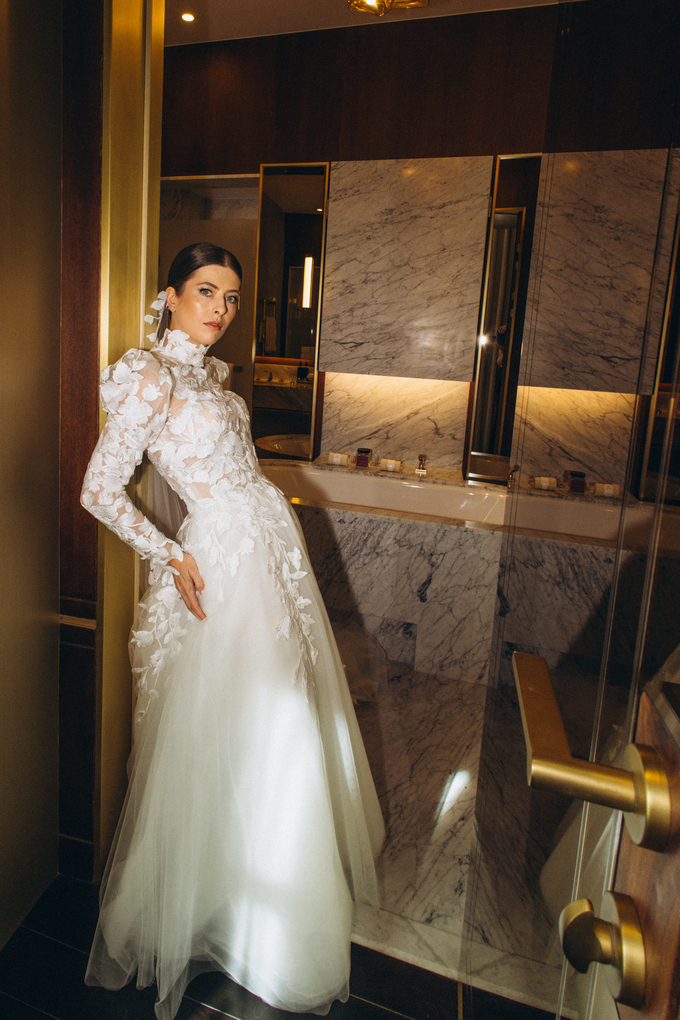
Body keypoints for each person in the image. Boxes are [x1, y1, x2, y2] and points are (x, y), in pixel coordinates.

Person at [81, 243, 384, 1019]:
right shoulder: (147, 375)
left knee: (273, 722)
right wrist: (171, 552)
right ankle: (207, 908)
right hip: (222, 563)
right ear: (171, 296)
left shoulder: (211, 376)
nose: (220, 308)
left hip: (266, 558)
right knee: (251, 722)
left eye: (233, 298)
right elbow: (97, 490)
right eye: (207, 291)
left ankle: (258, 905)